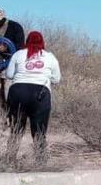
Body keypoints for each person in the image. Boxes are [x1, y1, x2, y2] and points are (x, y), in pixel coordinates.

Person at [4, 31, 61, 164]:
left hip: (18, 92)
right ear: (42, 42)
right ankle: (41, 161)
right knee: (39, 131)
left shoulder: (18, 54)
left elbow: (9, 74)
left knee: (16, 129)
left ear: (27, 41)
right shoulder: (50, 57)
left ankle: (10, 159)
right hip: (40, 94)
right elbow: (57, 79)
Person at [0, 6, 25, 113]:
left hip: (12, 65)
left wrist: (6, 47)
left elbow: (21, 46)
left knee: (9, 90)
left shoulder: (15, 27)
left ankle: (11, 116)